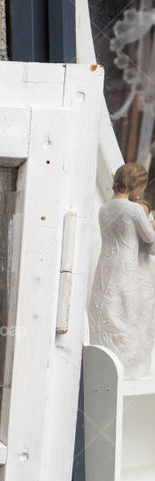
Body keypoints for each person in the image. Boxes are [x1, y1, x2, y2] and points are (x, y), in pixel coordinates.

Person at [88, 161, 155, 379]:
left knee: (108, 308)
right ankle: (127, 367)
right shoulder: (134, 209)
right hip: (126, 266)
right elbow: (149, 237)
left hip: (106, 264)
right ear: (135, 185)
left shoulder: (104, 208)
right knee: (128, 313)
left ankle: (106, 363)